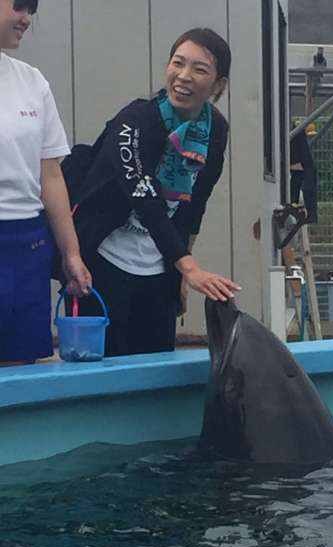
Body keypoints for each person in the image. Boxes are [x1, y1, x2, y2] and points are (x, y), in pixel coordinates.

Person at [68, 27, 241, 357]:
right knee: (102, 372)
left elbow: (195, 205)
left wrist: (180, 276)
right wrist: (189, 268)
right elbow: (145, 199)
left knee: (156, 369)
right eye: (178, 63)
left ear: (218, 86)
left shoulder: (214, 131)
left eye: (199, 69)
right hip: (101, 264)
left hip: (160, 268)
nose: (184, 76)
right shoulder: (135, 120)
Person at [0, 0, 91, 366]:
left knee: (19, 366)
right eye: (19, 6)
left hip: (28, 242)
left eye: (32, 10)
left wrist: (71, 253)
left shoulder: (32, 81)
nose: (27, 19)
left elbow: (50, 175)